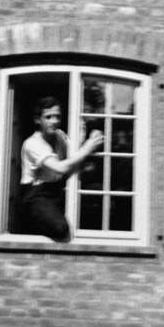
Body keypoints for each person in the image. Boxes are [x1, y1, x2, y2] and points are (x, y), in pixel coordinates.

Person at [19, 96, 104, 241]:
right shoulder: (32, 144)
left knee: (96, 195)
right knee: (60, 228)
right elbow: (60, 168)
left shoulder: (59, 135)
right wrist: (88, 147)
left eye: (57, 116)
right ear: (37, 120)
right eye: (48, 117)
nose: (54, 121)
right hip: (36, 196)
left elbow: (74, 158)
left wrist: (85, 137)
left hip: (57, 190)